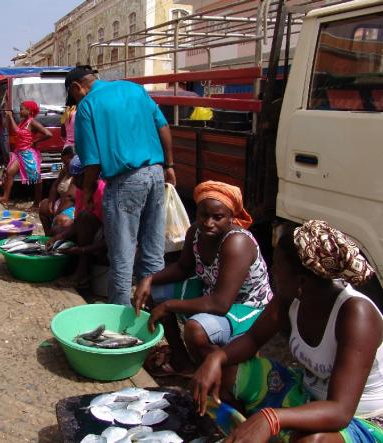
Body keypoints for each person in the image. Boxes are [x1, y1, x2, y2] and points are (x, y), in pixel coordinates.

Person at [191, 220, 383, 442]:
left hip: (361, 417)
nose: (272, 270)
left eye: (277, 266)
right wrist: (216, 358)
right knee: (226, 371)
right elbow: (253, 339)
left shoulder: (356, 314)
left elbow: (340, 410)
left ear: (301, 280)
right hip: (307, 394)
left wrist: (271, 417)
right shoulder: (291, 297)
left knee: (311, 440)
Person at [134, 180, 273, 377]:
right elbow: (183, 267)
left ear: (231, 218)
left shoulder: (237, 243)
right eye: (203, 215)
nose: (209, 223)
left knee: (195, 329)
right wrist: (148, 280)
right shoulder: (195, 232)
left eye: (218, 217)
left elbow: (220, 304)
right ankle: (183, 362)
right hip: (212, 292)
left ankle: (220, 379)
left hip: (247, 306)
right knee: (154, 292)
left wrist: (168, 306)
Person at [67, 65, 176, 306]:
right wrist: (169, 165)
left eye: (73, 96)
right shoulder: (135, 89)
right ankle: (156, 314)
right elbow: (163, 126)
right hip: (155, 174)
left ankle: (120, 319)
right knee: (153, 250)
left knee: (122, 256)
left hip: (124, 180)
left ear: (77, 87)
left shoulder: (87, 105)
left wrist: (86, 191)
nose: (76, 101)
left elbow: (92, 159)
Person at [47, 155, 107, 288]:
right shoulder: (81, 191)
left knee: (85, 217)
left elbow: (112, 236)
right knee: (57, 229)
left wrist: (83, 250)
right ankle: (72, 267)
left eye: (80, 177)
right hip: (91, 234)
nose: (76, 181)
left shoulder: (104, 191)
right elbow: (77, 223)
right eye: (74, 177)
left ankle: (82, 274)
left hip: (107, 241)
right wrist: (58, 236)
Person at [0, 100, 52, 208]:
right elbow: (16, 131)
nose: (20, 111)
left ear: (29, 111)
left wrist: (35, 142)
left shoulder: (32, 122)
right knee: (9, 172)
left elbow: (48, 134)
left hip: (28, 154)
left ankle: (37, 203)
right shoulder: (23, 122)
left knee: (36, 178)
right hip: (19, 153)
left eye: (22, 109)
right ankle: (5, 198)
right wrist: (9, 117)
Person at [38, 145, 76, 236]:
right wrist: (51, 202)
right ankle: (48, 236)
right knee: (44, 205)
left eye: (67, 163)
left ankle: (56, 238)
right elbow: (55, 186)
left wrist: (57, 213)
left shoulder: (78, 172)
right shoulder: (64, 171)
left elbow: (69, 198)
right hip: (61, 203)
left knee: (60, 219)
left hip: (73, 206)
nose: (65, 166)